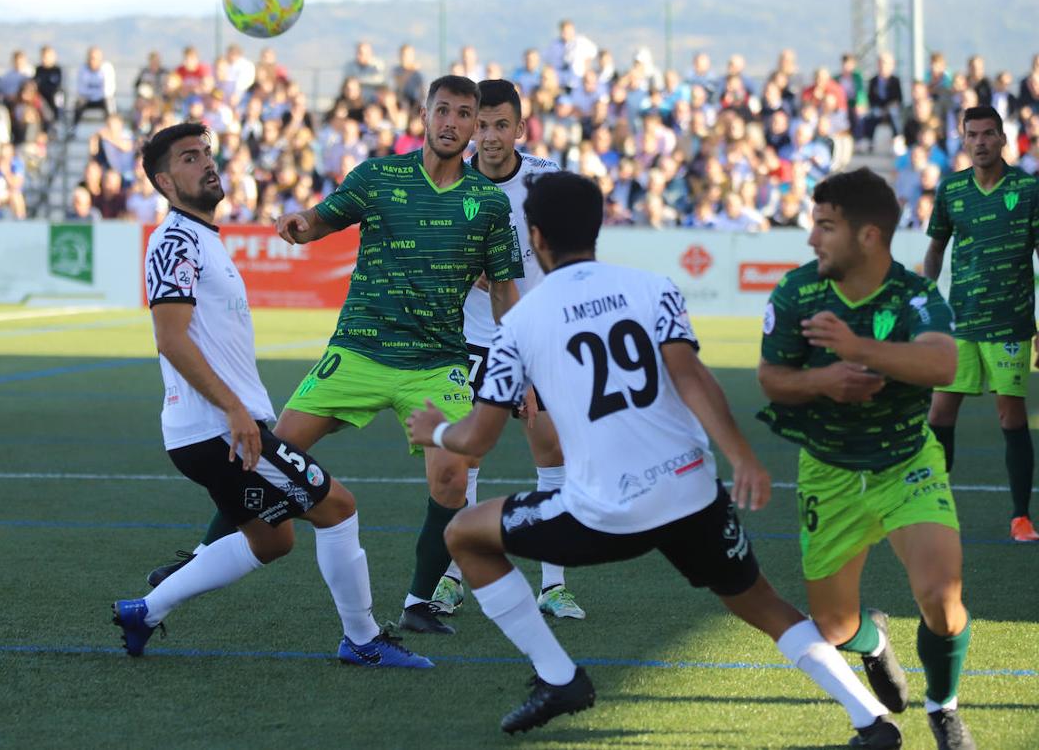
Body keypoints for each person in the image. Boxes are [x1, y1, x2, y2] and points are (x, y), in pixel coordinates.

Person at [407, 171, 901, 746]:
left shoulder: (519, 323)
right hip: (691, 490)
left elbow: (479, 439)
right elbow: (691, 377)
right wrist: (742, 457)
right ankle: (871, 720)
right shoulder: (653, 286)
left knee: (465, 533)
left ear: (536, 236)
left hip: (604, 510)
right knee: (763, 603)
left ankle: (559, 677)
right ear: (599, 228)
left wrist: (436, 431)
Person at [147, 76, 525, 636]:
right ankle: (200, 558)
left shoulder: (489, 204)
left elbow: (503, 293)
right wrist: (303, 227)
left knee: (452, 479)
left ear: (474, 127)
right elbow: (326, 216)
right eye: (441, 110)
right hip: (357, 351)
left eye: (463, 114)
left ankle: (420, 602)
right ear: (424, 116)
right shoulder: (379, 176)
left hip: (436, 362)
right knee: (272, 452)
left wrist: (523, 360)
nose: (451, 122)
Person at [111, 122, 432, 670]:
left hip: (214, 429)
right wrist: (236, 409)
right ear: (165, 182)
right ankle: (362, 639)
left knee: (272, 541)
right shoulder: (175, 241)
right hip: (218, 430)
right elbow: (170, 338)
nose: (207, 163)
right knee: (339, 508)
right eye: (190, 158)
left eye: (207, 153)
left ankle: (146, 610)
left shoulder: (201, 237)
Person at [758, 167, 975, 750]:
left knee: (942, 598)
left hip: (907, 463)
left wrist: (857, 349)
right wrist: (824, 378)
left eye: (825, 227)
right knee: (831, 627)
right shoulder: (798, 291)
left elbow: (943, 365)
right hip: (826, 472)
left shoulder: (914, 295)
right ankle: (874, 642)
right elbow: (772, 378)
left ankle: (943, 706)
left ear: (869, 236)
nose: (811, 239)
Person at [429, 79, 583, 621]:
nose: (490, 137)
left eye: (501, 125)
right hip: (473, 342)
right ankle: (455, 574)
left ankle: (554, 584)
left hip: (540, 340)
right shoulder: (451, 185)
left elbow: (571, 257)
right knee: (463, 462)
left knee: (552, 454)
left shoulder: (546, 181)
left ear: (520, 128)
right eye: (482, 125)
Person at [923, 105, 1039, 542]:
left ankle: (1021, 518)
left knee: (1010, 416)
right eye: (972, 135)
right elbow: (936, 250)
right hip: (961, 321)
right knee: (940, 410)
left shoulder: (1028, 189)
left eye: (989, 134)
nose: (981, 142)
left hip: (1010, 322)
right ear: (964, 139)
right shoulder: (952, 189)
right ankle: (933, 509)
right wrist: (924, 298)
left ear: (1002, 138)